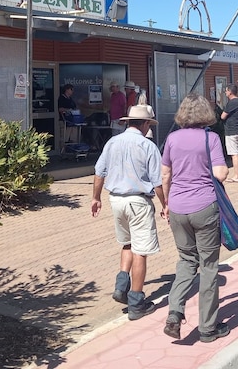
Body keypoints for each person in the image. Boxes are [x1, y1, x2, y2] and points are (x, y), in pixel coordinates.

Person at [161, 94, 231, 343]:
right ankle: (207, 328)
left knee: (186, 261)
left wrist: (167, 203)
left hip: (178, 208)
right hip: (204, 206)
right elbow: (220, 173)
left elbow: (166, 174)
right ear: (205, 114)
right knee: (209, 267)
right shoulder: (209, 138)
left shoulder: (171, 138)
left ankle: (174, 312)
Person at [92, 105, 165, 321]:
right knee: (140, 251)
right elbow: (158, 182)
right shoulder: (148, 146)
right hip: (138, 201)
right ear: (145, 124)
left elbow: (99, 172)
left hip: (116, 200)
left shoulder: (112, 142)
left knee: (127, 243)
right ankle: (136, 302)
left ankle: (121, 284)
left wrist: (95, 198)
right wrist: (165, 204)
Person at [220, 84, 238, 183]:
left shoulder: (231, 103)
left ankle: (236, 176)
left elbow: (223, 116)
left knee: (234, 154)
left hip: (232, 131)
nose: (225, 92)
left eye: (226, 91)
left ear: (230, 92)